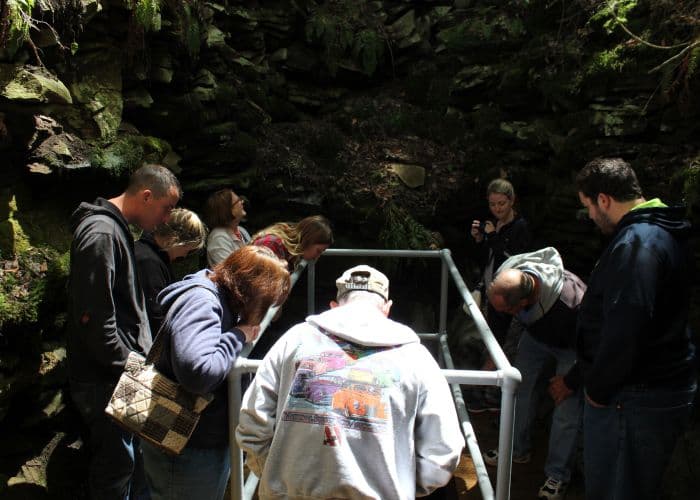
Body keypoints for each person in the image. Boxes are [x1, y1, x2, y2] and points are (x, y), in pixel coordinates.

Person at [236, 265, 465, 499]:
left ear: (334, 306)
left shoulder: (294, 339)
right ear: (387, 308)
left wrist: (276, 474)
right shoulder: (417, 358)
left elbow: (253, 420)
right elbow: (443, 450)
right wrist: (402, 485)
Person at [575, 157, 697, 500]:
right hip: (654, 386)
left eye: (588, 205)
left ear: (603, 200)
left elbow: (627, 326)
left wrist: (597, 390)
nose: (589, 216)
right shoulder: (663, 231)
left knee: (616, 486)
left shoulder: (637, 245)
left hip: (632, 397)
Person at [67, 164, 182, 499]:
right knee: (116, 466)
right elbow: (94, 316)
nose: (166, 219)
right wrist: (132, 365)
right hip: (104, 377)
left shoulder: (114, 230)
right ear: (147, 196)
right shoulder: (102, 233)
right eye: (166, 208)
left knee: (130, 463)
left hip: (116, 371)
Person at [141, 245, 290, 500]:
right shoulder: (203, 302)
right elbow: (198, 372)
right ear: (252, 291)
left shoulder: (218, 298)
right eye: (266, 303)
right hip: (186, 446)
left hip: (196, 440)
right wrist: (238, 334)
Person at [481, 247, 586, 500]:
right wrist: (492, 355)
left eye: (508, 310)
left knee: (566, 407)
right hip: (537, 335)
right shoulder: (508, 278)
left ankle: (557, 475)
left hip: (574, 346)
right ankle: (516, 448)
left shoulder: (571, 304)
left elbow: (593, 346)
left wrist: (571, 380)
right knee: (519, 387)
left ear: (523, 304)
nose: (504, 314)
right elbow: (499, 317)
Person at [468, 178, 532, 412]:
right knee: (491, 339)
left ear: (512, 201)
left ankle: (489, 393)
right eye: (493, 204)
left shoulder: (520, 227)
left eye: (502, 204)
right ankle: (489, 393)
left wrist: (493, 236)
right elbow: (485, 258)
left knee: (501, 341)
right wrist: (479, 239)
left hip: (507, 297)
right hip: (490, 291)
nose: (497, 209)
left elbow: (512, 260)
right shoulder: (495, 224)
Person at [135, 208, 207, 336]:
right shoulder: (149, 262)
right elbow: (155, 312)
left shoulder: (153, 255)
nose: (185, 255)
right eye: (187, 249)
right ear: (175, 240)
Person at [251, 214, 333, 270]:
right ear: (308, 240)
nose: (317, 257)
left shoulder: (289, 251)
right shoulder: (271, 244)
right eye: (318, 251)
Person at [204, 188, 250, 267]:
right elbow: (229, 272)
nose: (242, 202)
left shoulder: (242, 231)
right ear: (228, 210)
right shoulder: (219, 238)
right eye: (238, 201)